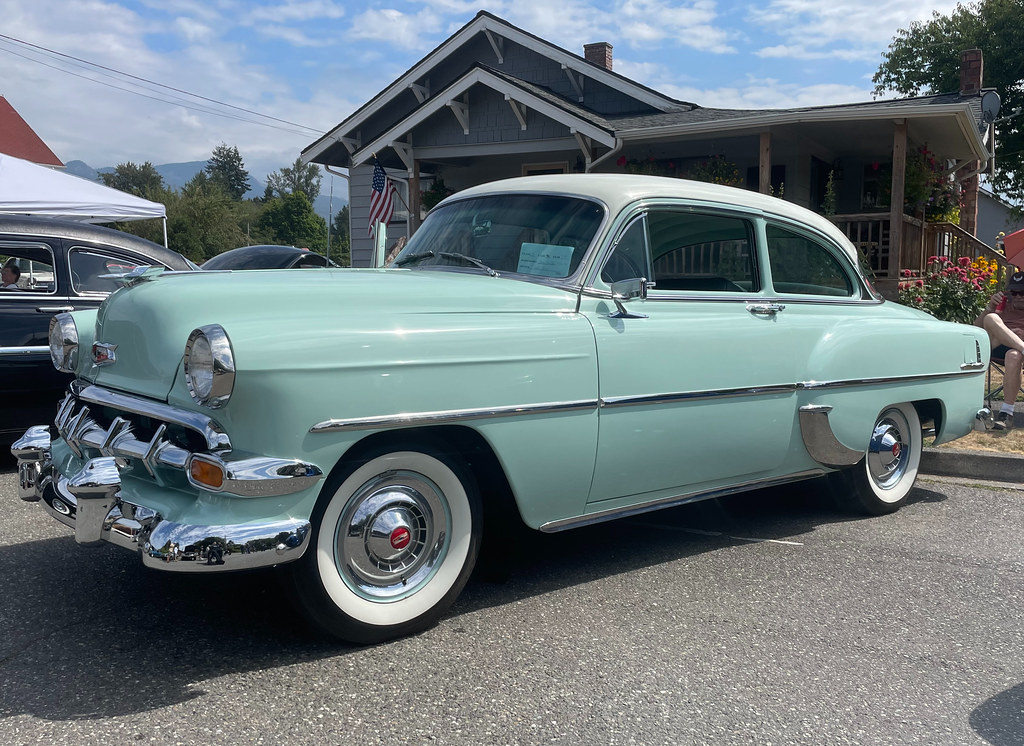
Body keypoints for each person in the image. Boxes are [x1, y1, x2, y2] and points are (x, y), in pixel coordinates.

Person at [976, 271, 1024, 429]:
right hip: (995, 345)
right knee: (990, 318)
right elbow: (974, 329)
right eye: (1014, 292)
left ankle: (1006, 414)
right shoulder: (1003, 302)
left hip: (1015, 351)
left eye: (1022, 292)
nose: (1018, 296)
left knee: (1013, 355)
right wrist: (990, 307)